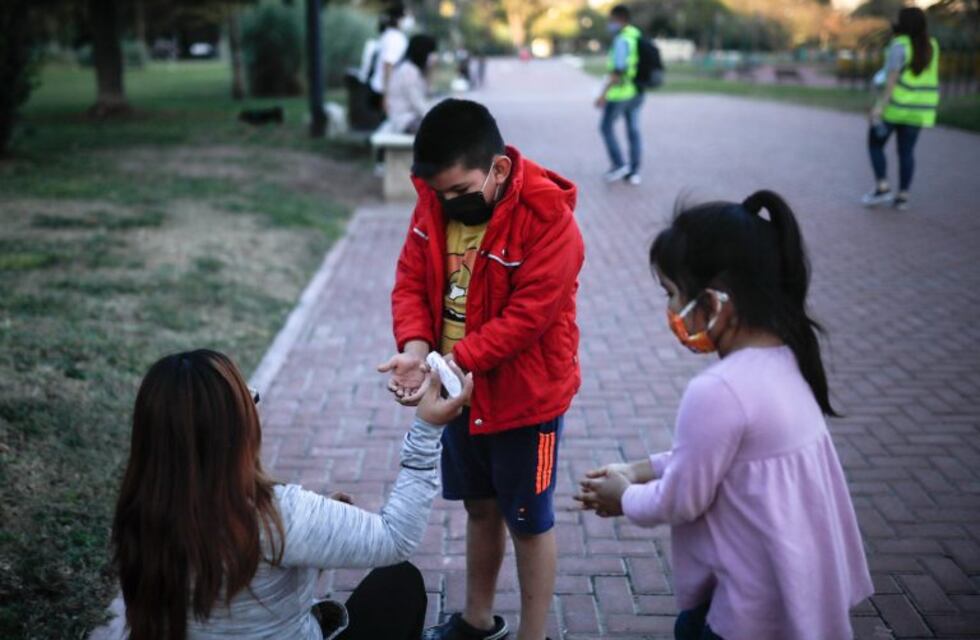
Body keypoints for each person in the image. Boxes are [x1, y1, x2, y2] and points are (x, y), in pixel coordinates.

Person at [576, 191, 873, 640]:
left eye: (674, 294)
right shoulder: (787, 359)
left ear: (714, 303)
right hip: (789, 596)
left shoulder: (718, 391)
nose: (673, 312)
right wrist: (639, 469)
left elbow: (681, 500)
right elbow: (721, 459)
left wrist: (624, 496)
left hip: (742, 614)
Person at [379, 98, 584, 640]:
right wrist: (418, 348)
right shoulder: (433, 202)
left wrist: (446, 362)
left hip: (527, 401)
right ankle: (477, 621)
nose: (448, 205)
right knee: (479, 508)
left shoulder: (549, 219)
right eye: (440, 194)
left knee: (529, 523)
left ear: (497, 168)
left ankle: (531, 635)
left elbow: (527, 320)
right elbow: (409, 282)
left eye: (461, 194)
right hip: (459, 393)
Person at [111, 349, 472, 640]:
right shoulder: (275, 514)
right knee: (398, 584)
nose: (256, 405)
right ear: (234, 427)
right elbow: (396, 539)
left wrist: (318, 536)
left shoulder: (139, 510)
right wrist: (426, 431)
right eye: (249, 398)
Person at [862, 7, 940, 211]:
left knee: (874, 144)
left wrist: (879, 107)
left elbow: (891, 81)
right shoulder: (932, 45)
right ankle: (903, 197)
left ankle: (882, 187)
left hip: (895, 108)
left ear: (903, 23)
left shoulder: (899, 46)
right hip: (919, 111)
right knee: (906, 152)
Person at [596, 4, 645, 186]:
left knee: (605, 127)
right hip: (637, 92)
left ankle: (618, 164)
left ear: (620, 19)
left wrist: (603, 94)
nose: (610, 24)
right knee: (633, 131)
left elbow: (618, 70)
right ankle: (634, 171)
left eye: (612, 20)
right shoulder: (636, 36)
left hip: (620, 94)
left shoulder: (622, 40)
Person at [383, 34, 438, 134]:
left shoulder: (414, 70)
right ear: (424, 52)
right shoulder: (408, 71)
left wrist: (430, 72)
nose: (434, 58)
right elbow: (418, 104)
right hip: (405, 120)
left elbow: (427, 96)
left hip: (411, 118)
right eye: (432, 53)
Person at [369, 3, 414, 114]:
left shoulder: (388, 34)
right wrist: (386, 97)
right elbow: (388, 66)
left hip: (380, 89)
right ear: (399, 18)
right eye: (407, 15)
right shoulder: (396, 38)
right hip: (384, 91)